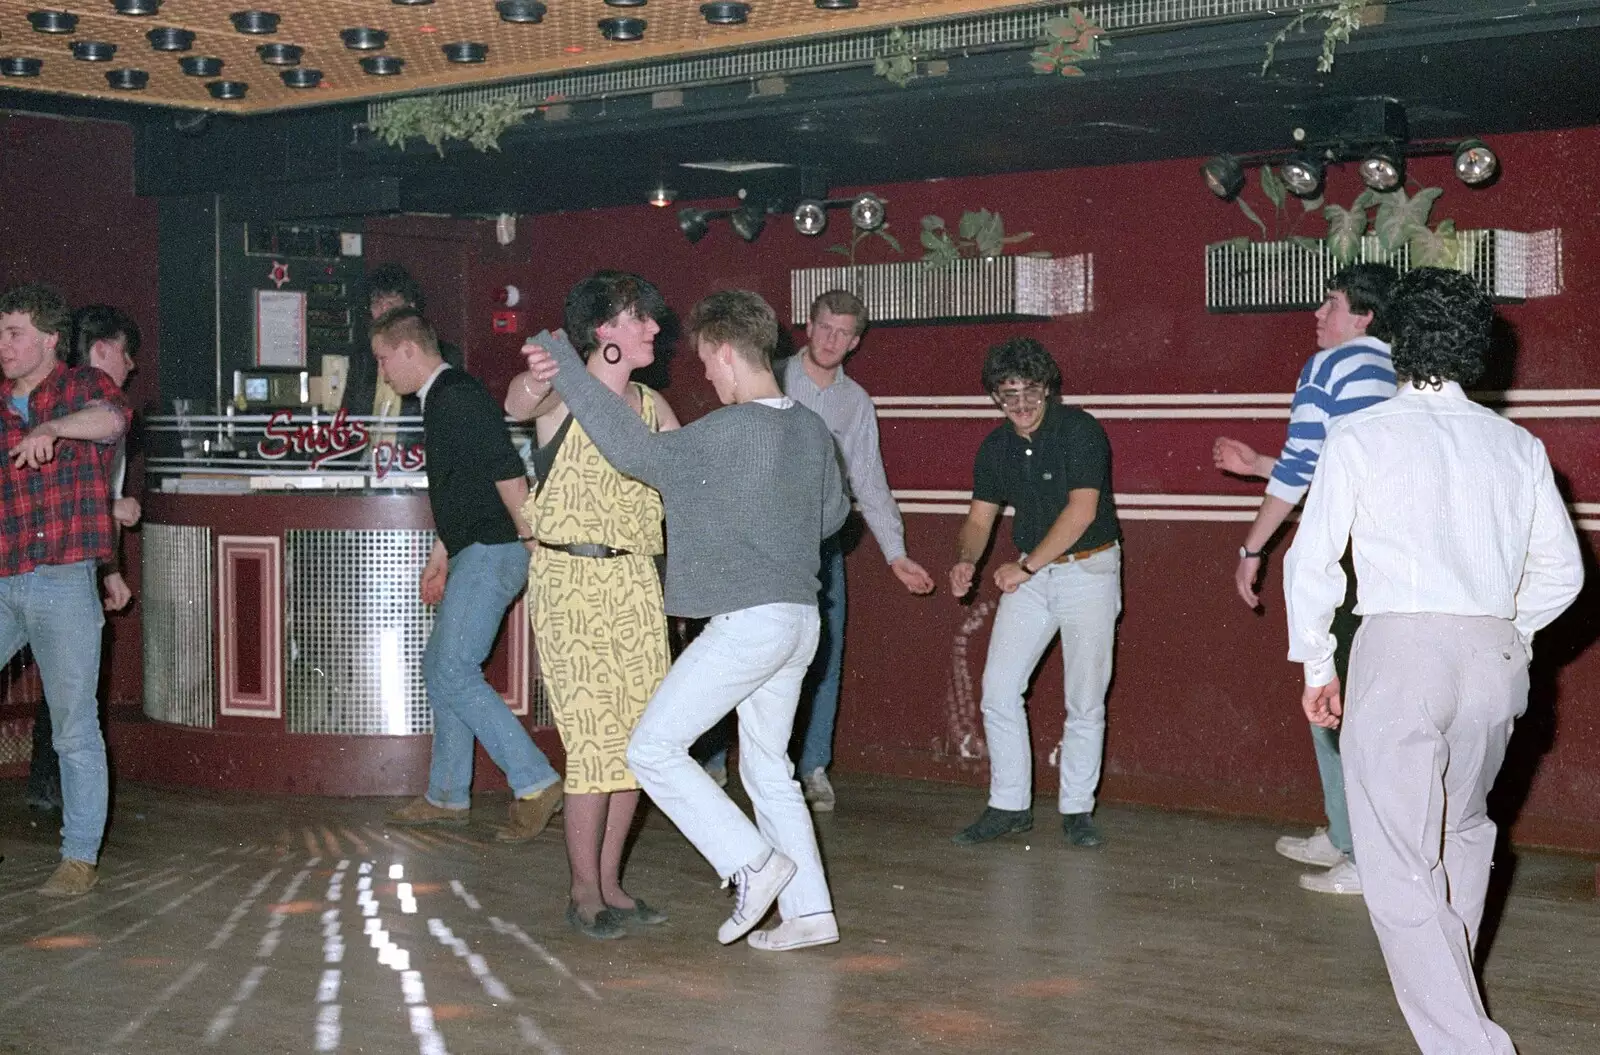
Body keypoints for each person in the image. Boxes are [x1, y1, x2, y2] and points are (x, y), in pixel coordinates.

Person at [1284, 267, 1582, 1055]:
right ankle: (1453, 999)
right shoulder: (1518, 445)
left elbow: (1311, 563)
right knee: (1465, 832)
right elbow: (1566, 573)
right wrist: (1507, 630)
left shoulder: (1362, 435)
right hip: (1493, 655)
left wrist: (1318, 663)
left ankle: (1468, 1043)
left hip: (1399, 651)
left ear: (1394, 345)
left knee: (1396, 859)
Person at [520, 289, 850, 952]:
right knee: (767, 768)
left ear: (728, 353)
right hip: (799, 621)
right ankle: (810, 910)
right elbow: (836, 514)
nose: (705, 375)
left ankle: (750, 863)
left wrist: (563, 356)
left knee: (650, 748)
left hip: (750, 624)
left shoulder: (727, 431)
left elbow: (634, 455)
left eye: (708, 362)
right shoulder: (810, 428)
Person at [701, 290, 934, 810]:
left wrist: (895, 554)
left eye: (843, 333)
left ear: (855, 342)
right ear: (809, 326)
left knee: (823, 656)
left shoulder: (855, 403)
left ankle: (813, 768)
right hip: (755, 541)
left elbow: (869, 482)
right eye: (825, 327)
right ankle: (714, 758)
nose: (831, 340)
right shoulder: (771, 376)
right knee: (732, 647)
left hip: (819, 546)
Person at [505, 271, 680, 940]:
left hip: (636, 582)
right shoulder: (560, 396)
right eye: (641, 318)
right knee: (591, 743)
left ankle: (611, 884)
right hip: (570, 579)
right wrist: (540, 371)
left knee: (638, 743)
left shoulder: (653, 404)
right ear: (603, 329)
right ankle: (582, 892)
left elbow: (686, 481)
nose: (654, 329)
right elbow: (520, 402)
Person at [1212, 263, 1398, 895]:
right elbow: (1339, 466)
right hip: (1390, 562)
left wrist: (1251, 547)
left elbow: (1300, 473)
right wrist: (1259, 462)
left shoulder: (1330, 367)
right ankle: (1346, 833)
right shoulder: (1391, 371)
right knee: (1346, 696)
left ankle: (1365, 858)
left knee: (1335, 697)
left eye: (1332, 304)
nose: (1318, 316)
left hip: (1349, 561)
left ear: (1364, 316)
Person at [371, 309, 563, 842]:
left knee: (451, 667)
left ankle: (536, 781)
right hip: (481, 547)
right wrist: (442, 554)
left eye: (384, 359)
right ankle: (447, 793)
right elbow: (465, 484)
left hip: (496, 548)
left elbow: (505, 467)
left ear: (409, 349)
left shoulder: (453, 395)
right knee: (443, 667)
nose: (383, 373)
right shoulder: (445, 396)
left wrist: (530, 539)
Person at [948, 337, 1122, 849]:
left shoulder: (1080, 430)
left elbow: (1082, 512)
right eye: (1008, 395)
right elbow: (980, 519)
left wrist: (1024, 565)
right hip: (1031, 578)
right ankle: (1009, 805)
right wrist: (965, 560)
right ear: (995, 398)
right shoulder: (995, 447)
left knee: (1085, 699)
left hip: (1088, 570)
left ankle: (1077, 811)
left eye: (1030, 392)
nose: (1021, 405)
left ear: (1048, 389)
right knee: (999, 689)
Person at [0, 283, 131, 897]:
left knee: (74, 727)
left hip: (62, 579)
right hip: (3, 579)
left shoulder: (83, 387)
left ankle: (78, 857)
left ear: (50, 340)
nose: (3, 345)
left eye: (14, 333)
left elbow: (112, 421)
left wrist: (52, 425)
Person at [25, 305, 142, 813]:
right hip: (44, 568)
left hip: (69, 565)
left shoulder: (96, 411)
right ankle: (56, 797)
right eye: (125, 350)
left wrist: (111, 568)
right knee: (73, 696)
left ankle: (51, 790)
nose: (133, 364)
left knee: (69, 690)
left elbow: (96, 498)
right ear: (100, 351)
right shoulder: (74, 402)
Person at [347, 263, 465, 424]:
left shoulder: (444, 354)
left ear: (411, 307)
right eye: (377, 304)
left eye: (391, 304)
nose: (383, 312)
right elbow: (349, 416)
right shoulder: (363, 358)